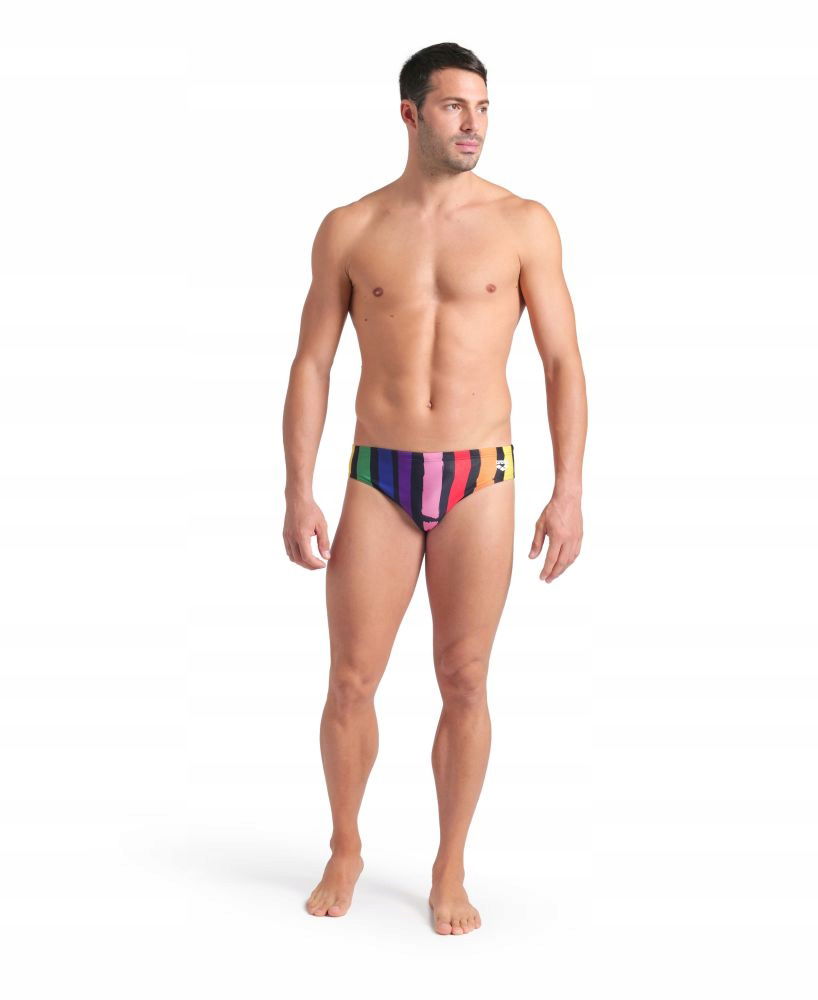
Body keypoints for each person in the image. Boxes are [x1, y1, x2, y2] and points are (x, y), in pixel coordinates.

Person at [282, 41, 587, 935]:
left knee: (465, 678)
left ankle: (449, 865)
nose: (473, 124)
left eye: (483, 108)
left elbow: (562, 362)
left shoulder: (524, 223)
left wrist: (568, 490)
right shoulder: (350, 227)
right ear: (411, 113)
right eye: (455, 106)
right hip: (379, 472)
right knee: (350, 680)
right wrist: (298, 489)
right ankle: (346, 845)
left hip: (479, 473)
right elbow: (311, 364)